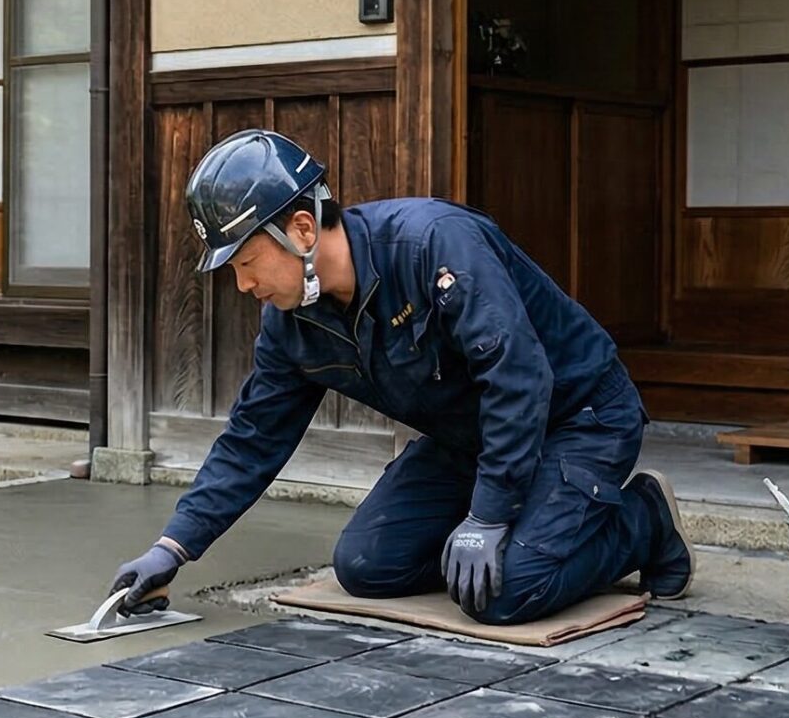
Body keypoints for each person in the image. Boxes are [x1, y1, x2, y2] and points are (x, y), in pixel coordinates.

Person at [113, 128, 691, 625]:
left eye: (246, 263)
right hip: (474, 440)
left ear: (302, 230)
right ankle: (533, 521)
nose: (243, 285)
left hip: (579, 417)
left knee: (507, 592)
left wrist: (489, 515)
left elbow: (518, 377)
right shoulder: (291, 324)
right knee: (366, 565)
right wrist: (174, 547)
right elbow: (253, 438)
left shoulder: (433, 243)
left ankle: (641, 520)